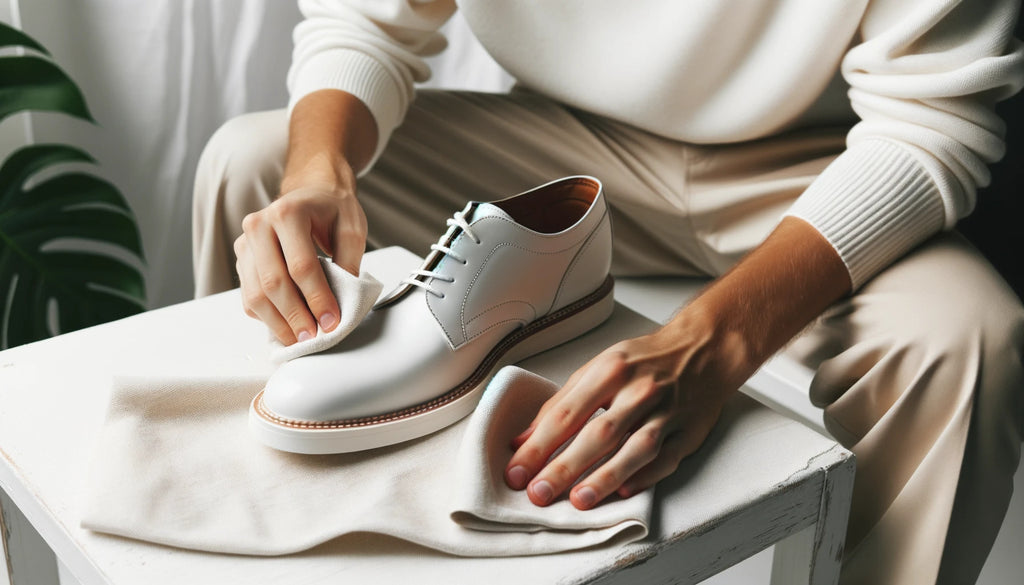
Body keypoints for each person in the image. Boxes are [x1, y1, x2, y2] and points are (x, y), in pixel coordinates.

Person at [191, 1, 1024, 583]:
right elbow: (367, 19)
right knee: (254, 161)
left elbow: (932, 123)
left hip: (817, 172)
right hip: (562, 148)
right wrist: (316, 174)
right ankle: (235, 526)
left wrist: (717, 339)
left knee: (969, 334)